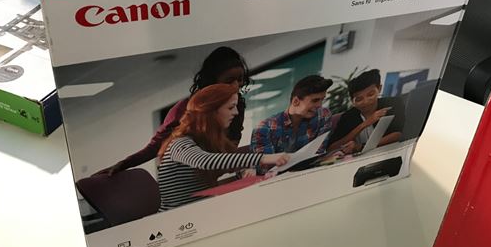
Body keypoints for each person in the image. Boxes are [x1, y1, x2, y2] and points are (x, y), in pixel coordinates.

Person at [98, 46, 250, 176]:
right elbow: (156, 146)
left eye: (240, 79)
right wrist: (124, 164)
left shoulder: (237, 106)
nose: (236, 86)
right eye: (229, 81)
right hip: (185, 174)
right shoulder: (184, 109)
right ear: (211, 81)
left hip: (213, 171)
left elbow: (233, 139)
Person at [158, 84, 288, 210]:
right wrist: (264, 158)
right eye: (231, 107)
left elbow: (217, 170)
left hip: (200, 210)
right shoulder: (179, 144)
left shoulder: (209, 143)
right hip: (177, 217)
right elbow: (204, 161)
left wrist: (242, 173)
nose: (236, 112)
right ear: (211, 112)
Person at [250, 74, 334, 155]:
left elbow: (319, 153)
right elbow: (265, 163)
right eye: (315, 100)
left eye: (322, 100)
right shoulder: (264, 129)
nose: (320, 105)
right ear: (296, 101)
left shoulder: (323, 115)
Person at [327, 69, 404, 153]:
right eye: (359, 99)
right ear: (352, 101)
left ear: (379, 89)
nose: (366, 101)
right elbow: (331, 148)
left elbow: (398, 134)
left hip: (391, 153)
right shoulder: (348, 117)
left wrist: (361, 146)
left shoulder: (392, 103)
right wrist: (364, 124)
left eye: (370, 95)